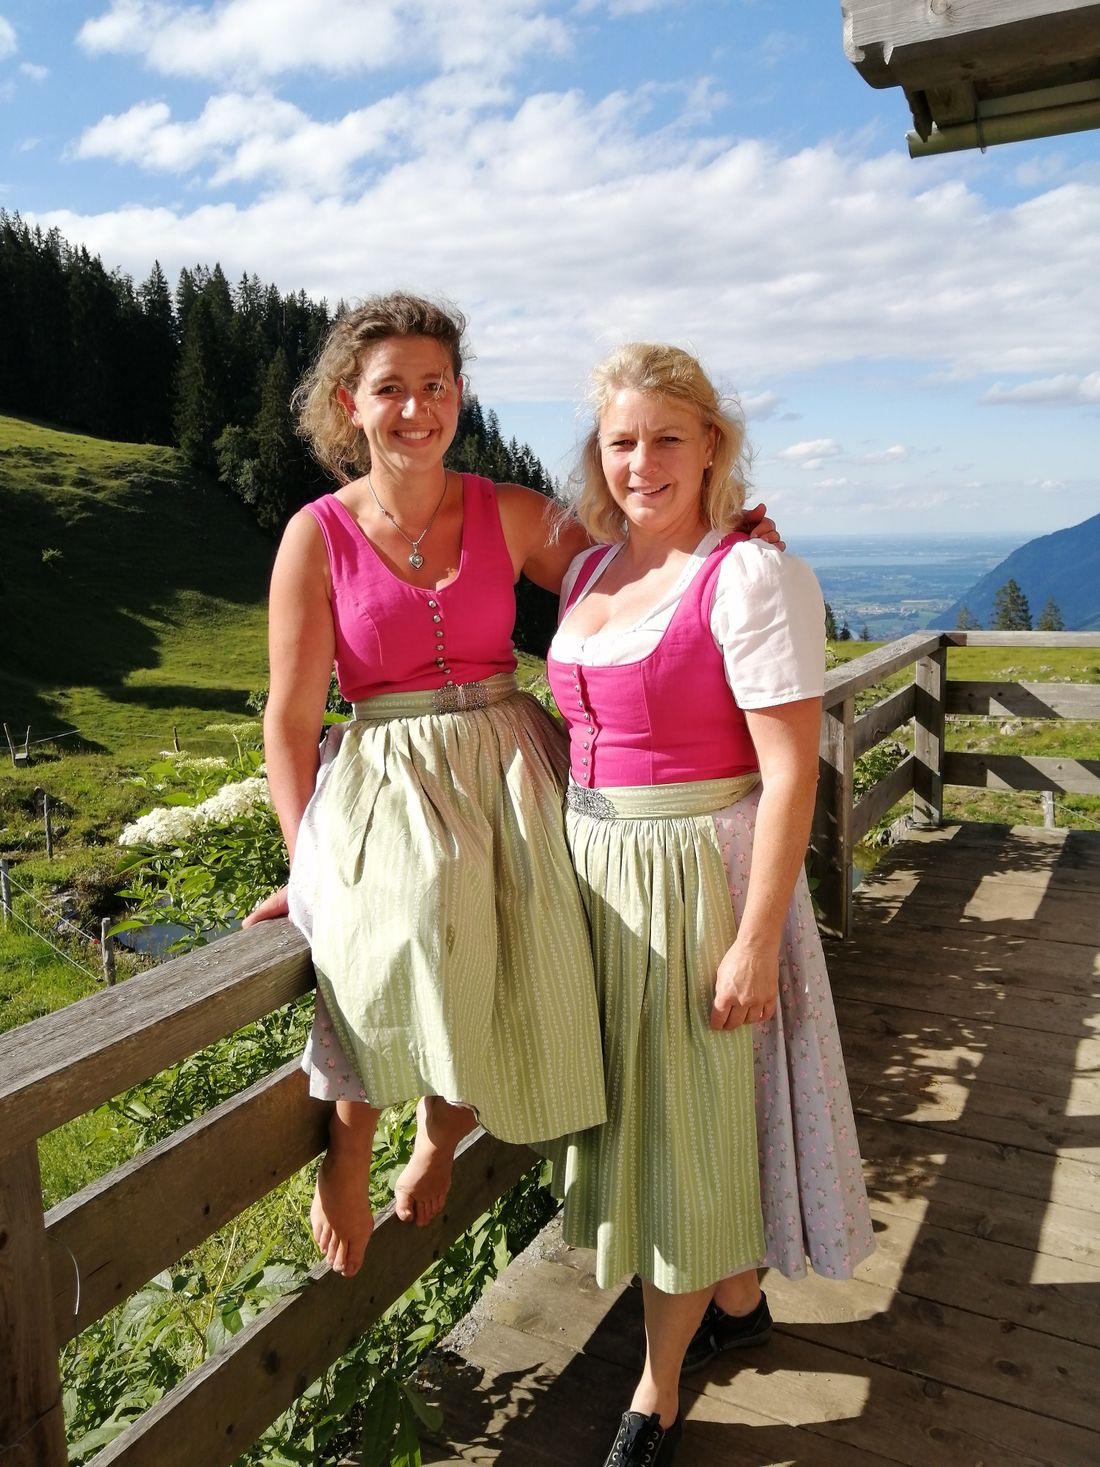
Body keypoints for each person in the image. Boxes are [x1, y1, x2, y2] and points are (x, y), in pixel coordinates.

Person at [242, 293, 781, 1282]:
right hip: (384, 769)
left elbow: (636, 572)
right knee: (383, 936)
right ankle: (348, 1155)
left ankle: (440, 1136)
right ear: (346, 405)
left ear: (459, 395)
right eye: (389, 388)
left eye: (435, 385)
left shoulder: (509, 511)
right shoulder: (315, 536)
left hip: (512, 756)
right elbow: (287, 718)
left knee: (521, 957)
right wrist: (305, 858)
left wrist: (725, 544)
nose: (416, 407)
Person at [544, 342, 874, 1467]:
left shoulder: (748, 577)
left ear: (711, 447)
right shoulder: (589, 572)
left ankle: (654, 1389)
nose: (641, 462)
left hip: (697, 878)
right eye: (621, 441)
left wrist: (749, 942)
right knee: (640, 1116)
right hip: (597, 877)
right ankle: (735, 1300)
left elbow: (790, 775)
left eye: (666, 438)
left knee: (682, 1127)